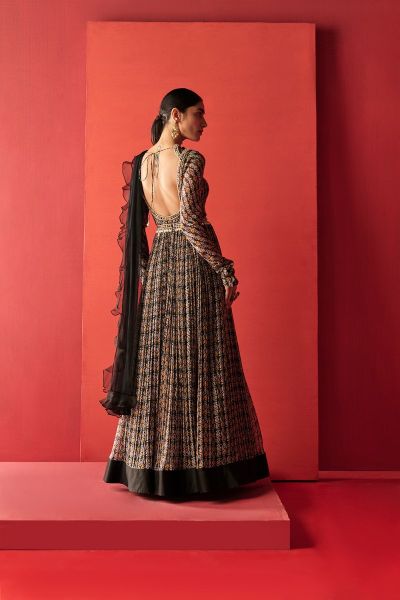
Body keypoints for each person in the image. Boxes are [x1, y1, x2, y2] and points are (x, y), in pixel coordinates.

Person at [100, 87, 270, 498]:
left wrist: (150, 275)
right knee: (204, 360)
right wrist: (224, 269)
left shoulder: (142, 162)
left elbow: (137, 233)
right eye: (198, 113)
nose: (204, 122)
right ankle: (206, 470)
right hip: (194, 266)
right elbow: (191, 220)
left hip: (160, 265)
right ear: (175, 115)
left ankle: (151, 469)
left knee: (160, 368)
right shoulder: (191, 160)